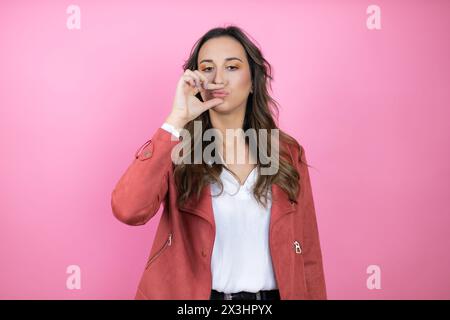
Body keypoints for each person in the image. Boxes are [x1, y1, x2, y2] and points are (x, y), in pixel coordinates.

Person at [111, 25, 327, 300]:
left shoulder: (286, 152)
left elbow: (307, 254)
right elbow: (128, 209)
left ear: (253, 81)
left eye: (232, 67)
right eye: (207, 68)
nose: (219, 79)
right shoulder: (177, 148)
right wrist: (176, 119)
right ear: (195, 80)